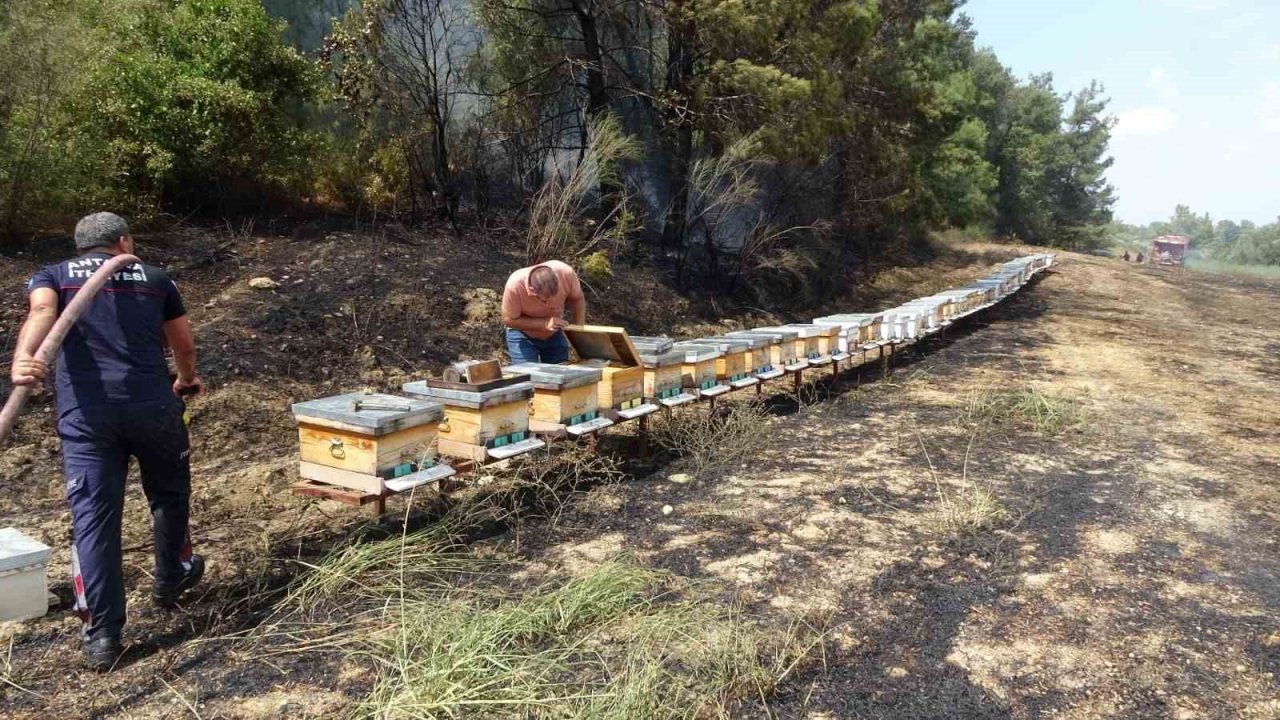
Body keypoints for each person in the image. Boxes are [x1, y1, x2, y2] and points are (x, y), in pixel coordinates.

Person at [10, 212, 204, 671]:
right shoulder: (155, 277)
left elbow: (41, 311)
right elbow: (184, 345)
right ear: (123, 241)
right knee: (169, 494)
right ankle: (170, 578)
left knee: (94, 518)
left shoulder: (52, 275)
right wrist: (187, 380)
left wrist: (22, 358)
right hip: (153, 406)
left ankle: (102, 635)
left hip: (88, 417)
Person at [501, 260, 586, 363]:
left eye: (554, 294)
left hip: (553, 333)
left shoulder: (565, 273)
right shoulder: (515, 285)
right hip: (523, 334)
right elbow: (509, 320)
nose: (550, 301)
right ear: (532, 290)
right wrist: (544, 323)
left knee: (560, 373)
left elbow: (578, 298)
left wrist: (579, 331)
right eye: (546, 298)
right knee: (527, 376)